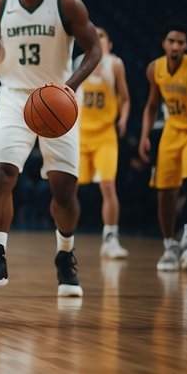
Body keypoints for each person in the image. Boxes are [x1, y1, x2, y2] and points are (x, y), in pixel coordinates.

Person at [0, 0, 101, 297]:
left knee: (64, 190)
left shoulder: (66, 3)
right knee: (2, 173)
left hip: (58, 97)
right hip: (14, 97)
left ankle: (65, 253)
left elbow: (94, 49)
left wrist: (68, 88)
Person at [139, 23, 187, 271]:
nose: (175, 46)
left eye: (180, 42)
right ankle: (169, 246)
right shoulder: (155, 69)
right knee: (165, 193)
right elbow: (152, 106)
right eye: (171, 41)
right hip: (171, 132)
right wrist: (144, 136)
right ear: (164, 43)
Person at [76, 27, 131, 258]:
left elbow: (125, 98)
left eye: (101, 36)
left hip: (105, 134)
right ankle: (66, 237)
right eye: (93, 35)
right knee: (69, 187)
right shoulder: (79, 61)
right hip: (80, 133)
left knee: (108, 186)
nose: (97, 39)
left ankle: (110, 238)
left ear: (109, 43)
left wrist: (123, 119)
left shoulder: (114, 64)